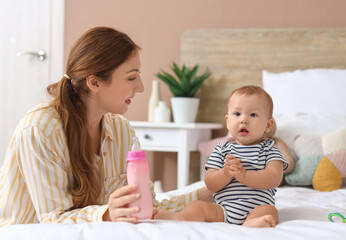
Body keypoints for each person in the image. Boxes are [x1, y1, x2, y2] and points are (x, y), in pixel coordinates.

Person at [0, 26, 212, 226]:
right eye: (131, 77)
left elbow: (150, 206)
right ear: (95, 83)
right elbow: (53, 220)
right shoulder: (40, 130)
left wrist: (211, 190)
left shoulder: (121, 130)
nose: (140, 87)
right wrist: (107, 214)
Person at [154, 85, 288, 227]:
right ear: (227, 121)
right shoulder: (223, 148)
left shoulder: (270, 147)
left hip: (256, 208)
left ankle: (252, 223)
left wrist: (244, 176)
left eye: (253, 115)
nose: (243, 120)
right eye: (237, 114)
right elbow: (210, 182)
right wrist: (225, 173)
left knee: (270, 211)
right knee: (199, 206)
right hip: (223, 210)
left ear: (268, 125)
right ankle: (181, 217)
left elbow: (274, 177)